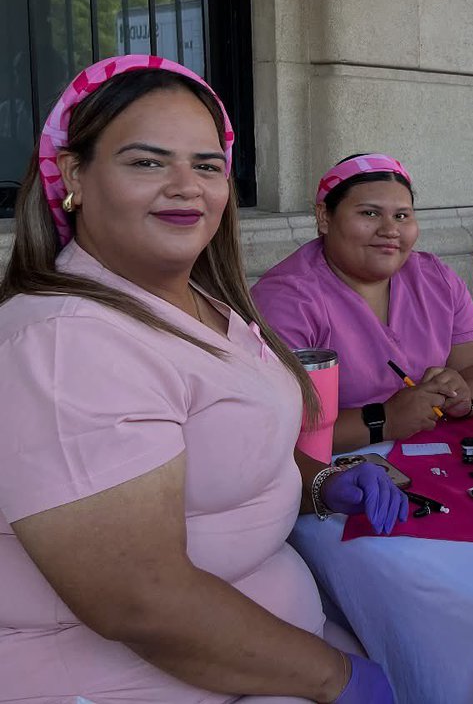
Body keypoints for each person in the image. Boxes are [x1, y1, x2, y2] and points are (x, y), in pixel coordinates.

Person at [0, 56, 402, 703]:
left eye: (207, 165)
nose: (186, 185)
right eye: (147, 162)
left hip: (273, 648)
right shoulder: (63, 341)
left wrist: (322, 482)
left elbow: (234, 452)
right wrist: (338, 676)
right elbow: (141, 602)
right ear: (75, 174)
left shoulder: (206, 304)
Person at [253, 154, 473, 457]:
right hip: (330, 477)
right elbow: (276, 428)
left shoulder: (436, 278)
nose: (390, 230)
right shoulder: (286, 299)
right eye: (370, 213)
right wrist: (384, 420)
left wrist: (464, 396)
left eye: (401, 216)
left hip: (431, 455)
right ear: (324, 217)